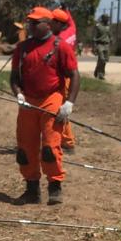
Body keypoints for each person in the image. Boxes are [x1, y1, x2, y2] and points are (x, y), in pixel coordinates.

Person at [10, 6, 79, 205]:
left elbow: (74, 75)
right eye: (29, 22)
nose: (30, 26)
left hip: (51, 99)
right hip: (28, 102)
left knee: (50, 147)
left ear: (47, 24)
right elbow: (14, 78)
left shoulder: (61, 47)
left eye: (35, 23)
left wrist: (69, 103)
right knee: (25, 148)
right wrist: (19, 94)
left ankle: (55, 187)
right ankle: (32, 189)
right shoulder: (22, 48)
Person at [49, 8, 78, 151]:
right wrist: (66, 10)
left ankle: (67, 141)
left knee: (61, 109)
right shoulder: (71, 29)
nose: (49, 24)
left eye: (51, 22)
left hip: (64, 77)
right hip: (67, 74)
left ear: (58, 23)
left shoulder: (60, 40)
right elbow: (71, 21)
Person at [92, 14, 112, 80]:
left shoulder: (108, 26)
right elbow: (94, 37)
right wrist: (94, 47)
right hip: (100, 44)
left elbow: (110, 35)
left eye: (108, 18)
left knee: (105, 60)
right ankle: (101, 74)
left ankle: (97, 71)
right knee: (102, 59)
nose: (108, 19)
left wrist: (111, 41)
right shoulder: (98, 26)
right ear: (103, 18)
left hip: (107, 45)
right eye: (107, 18)